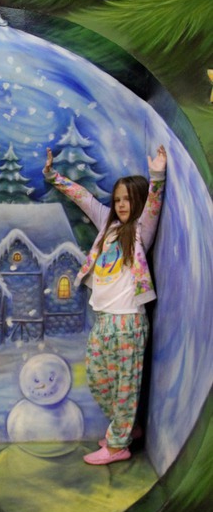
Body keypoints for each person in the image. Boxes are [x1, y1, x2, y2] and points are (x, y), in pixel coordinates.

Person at [42, 143, 167, 465]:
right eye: (118, 199)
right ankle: (126, 429)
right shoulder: (107, 226)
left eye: (128, 199)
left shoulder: (140, 231)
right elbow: (83, 197)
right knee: (99, 381)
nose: (122, 205)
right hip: (103, 320)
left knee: (125, 388)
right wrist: (53, 177)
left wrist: (157, 176)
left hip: (128, 321)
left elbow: (153, 206)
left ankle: (117, 446)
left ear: (138, 201)